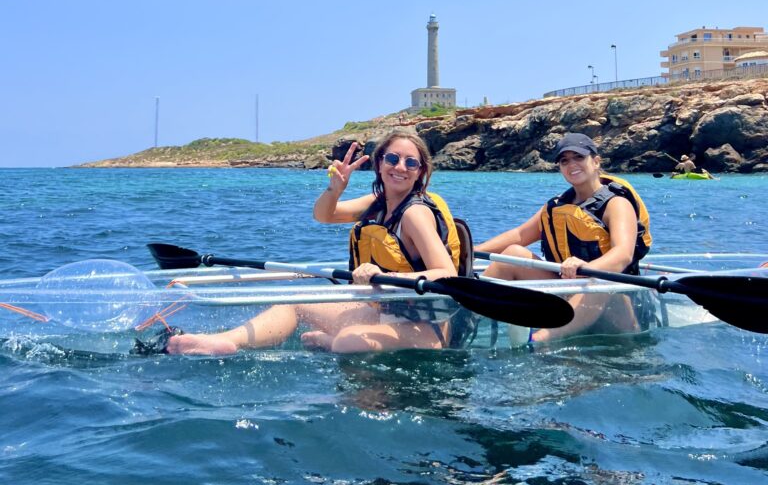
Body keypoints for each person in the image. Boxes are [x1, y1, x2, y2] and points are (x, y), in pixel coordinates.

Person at [166, 131, 462, 356]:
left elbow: (445, 274)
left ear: (421, 171)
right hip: (385, 311)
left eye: (411, 162)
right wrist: (334, 189)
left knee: (349, 339)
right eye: (392, 159)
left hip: (425, 325)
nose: (400, 167)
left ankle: (333, 342)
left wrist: (385, 278)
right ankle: (227, 341)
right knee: (294, 303)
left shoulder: (415, 214)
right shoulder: (379, 203)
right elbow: (324, 214)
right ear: (380, 163)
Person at [479, 132, 652, 343]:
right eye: (564, 160)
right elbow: (519, 235)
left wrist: (587, 267)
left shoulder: (617, 204)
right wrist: (468, 252)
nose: (571, 165)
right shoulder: (557, 206)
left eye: (579, 157)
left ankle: (540, 341)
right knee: (512, 254)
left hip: (612, 303)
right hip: (567, 294)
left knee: (600, 278)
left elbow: (623, 254)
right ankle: (466, 323)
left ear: (596, 161)